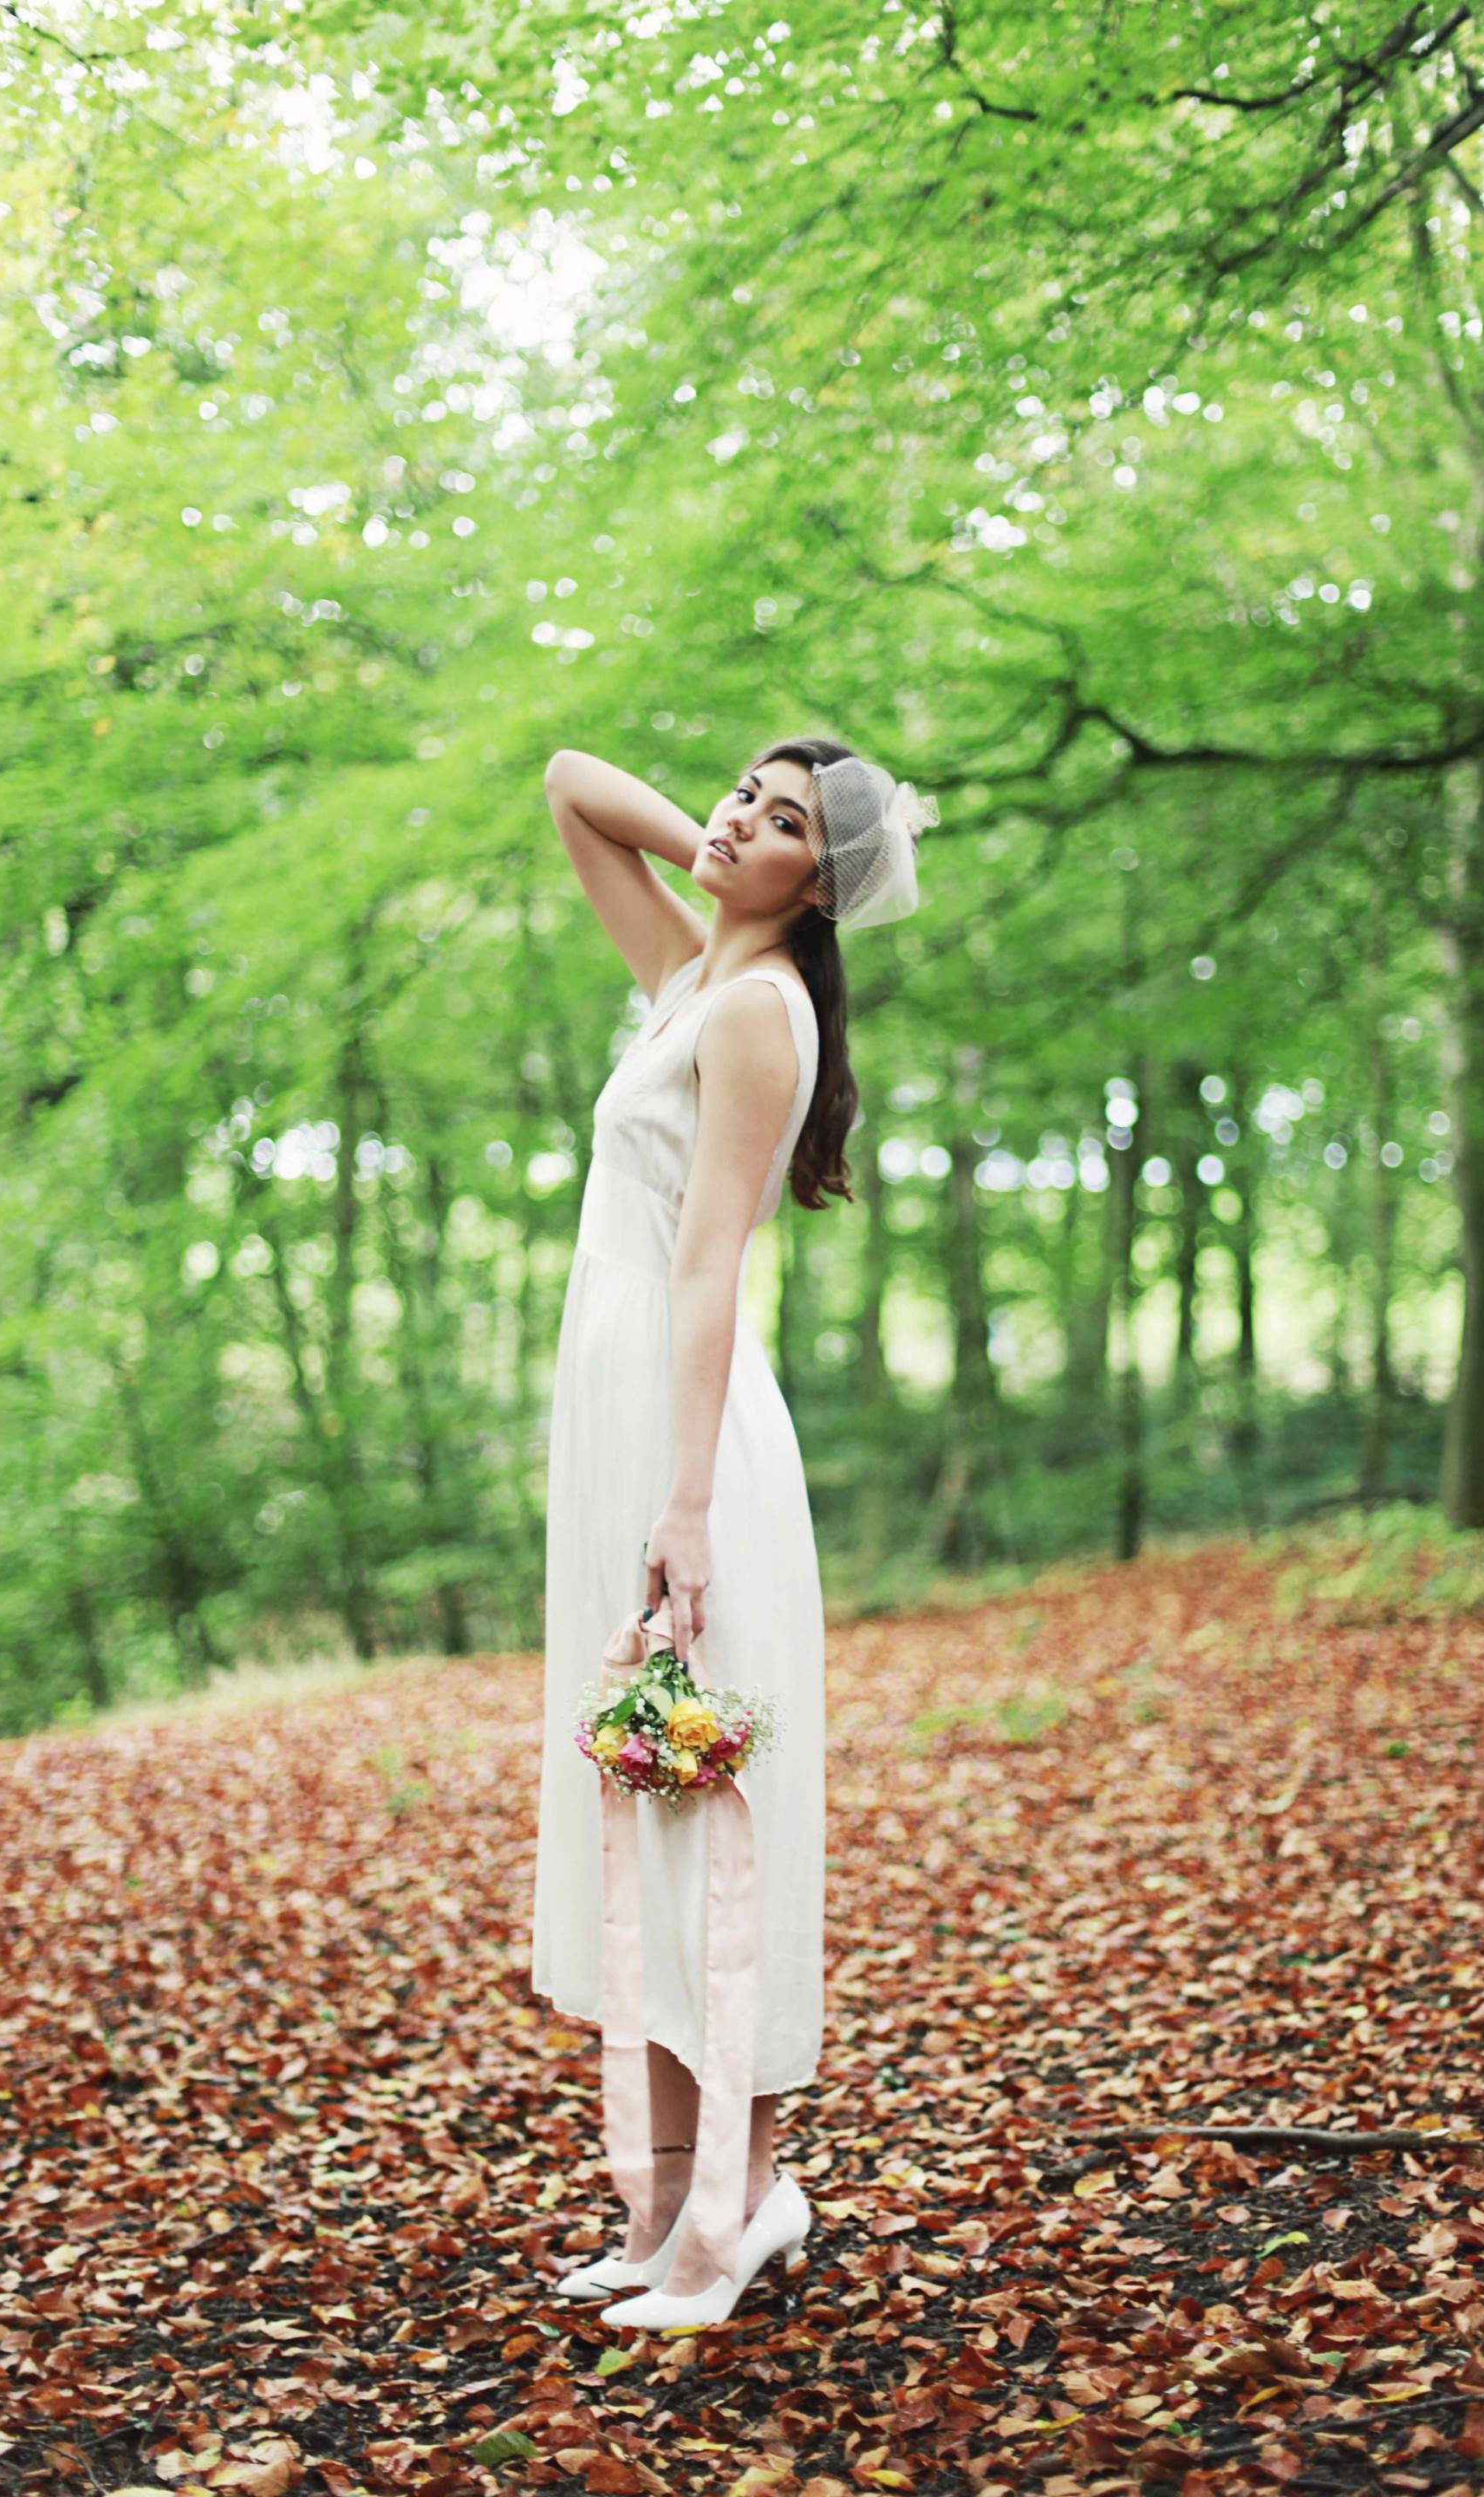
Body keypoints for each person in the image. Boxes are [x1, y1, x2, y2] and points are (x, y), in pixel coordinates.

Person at [530, 733, 935, 2331]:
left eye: (781, 826)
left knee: (714, 1822)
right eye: (739, 798)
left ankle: (736, 2217)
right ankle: (671, 2204)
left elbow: (712, 1266)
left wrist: (683, 1507)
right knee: (650, 1808)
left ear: (822, 884)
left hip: (689, 1444)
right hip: (623, 1424)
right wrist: (749, 833)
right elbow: (571, 781)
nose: (734, 824)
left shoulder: (763, 1009)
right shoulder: (695, 978)